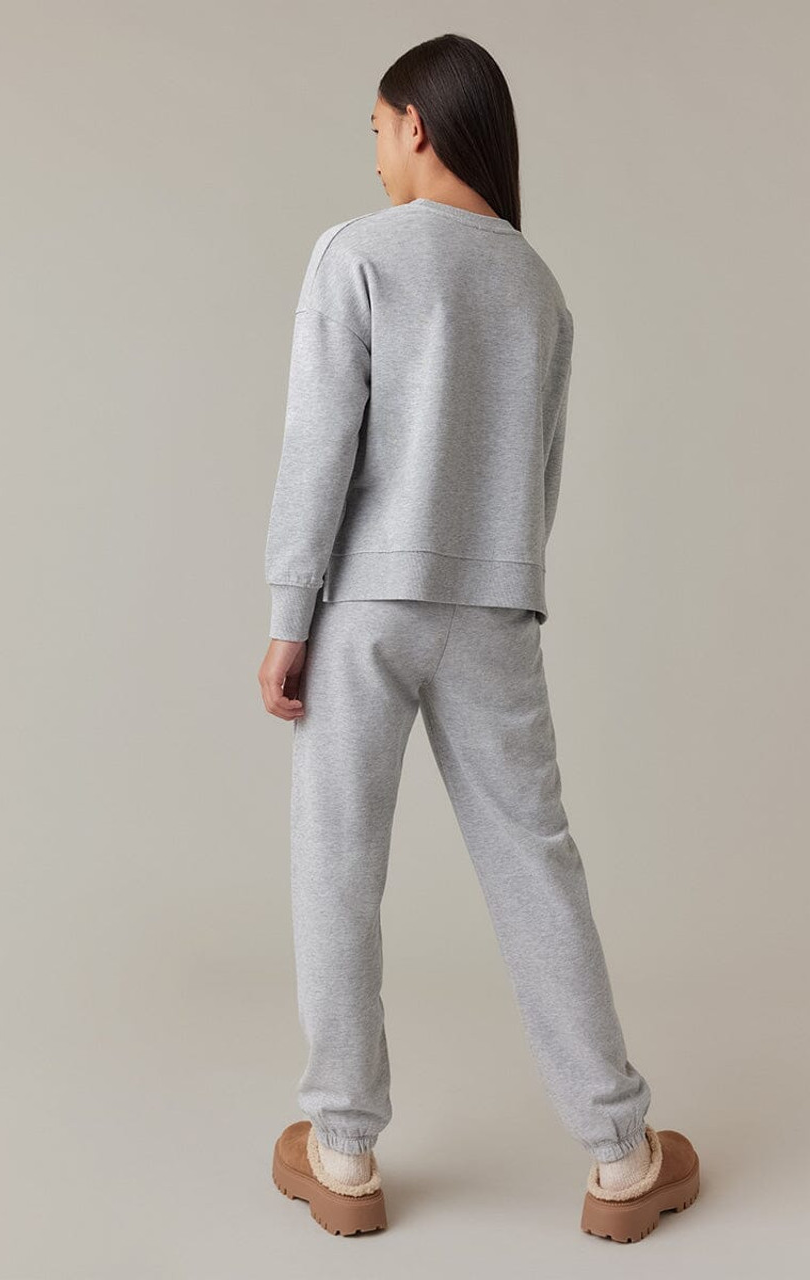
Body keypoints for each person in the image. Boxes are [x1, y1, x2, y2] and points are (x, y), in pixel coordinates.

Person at [260, 33, 700, 1243]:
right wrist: (496, 581)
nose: (375, 151)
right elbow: (536, 478)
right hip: (496, 611)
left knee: (336, 862)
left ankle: (343, 1148)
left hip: (362, 607)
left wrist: (290, 611)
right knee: (535, 865)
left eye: (377, 127)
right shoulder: (537, 284)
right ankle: (621, 1152)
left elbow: (318, 446)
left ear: (416, 123)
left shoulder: (356, 252)